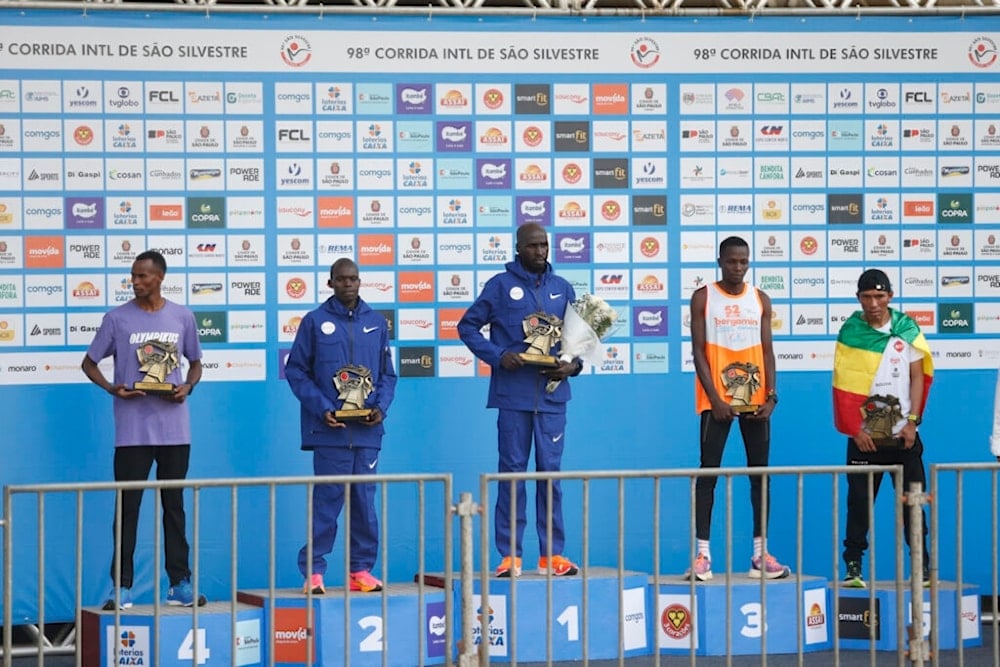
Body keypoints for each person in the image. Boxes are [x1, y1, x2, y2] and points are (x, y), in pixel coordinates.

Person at [81, 250, 206, 609]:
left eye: (143, 276)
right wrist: (112, 388)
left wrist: (188, 387)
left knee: (174, 508)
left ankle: (179, 583)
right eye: (133, 276)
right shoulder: (117, 318)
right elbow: (89, 363)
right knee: (128, 509)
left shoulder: (182, 316)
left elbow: (195, 364)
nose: (136, 282)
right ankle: (121, 587)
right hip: (132, 431)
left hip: (175, 431)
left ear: (160, 277)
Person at [458, 223, 583, 578]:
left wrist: (572, 366)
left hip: (552, 397)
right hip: (513, 395)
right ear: (518, 248)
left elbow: (577, 343)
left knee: (550, 477)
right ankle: (509, 555)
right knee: (512, 474)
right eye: (532, 246)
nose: (540, 251)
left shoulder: (562, 288)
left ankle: (551, 556)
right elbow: (467, 327)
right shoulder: (500, 286)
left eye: (544, 245)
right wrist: (499, 356)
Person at [285, 258, 397, 594]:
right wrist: (323, 410)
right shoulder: (315, 322)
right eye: (342, 280)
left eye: (354, 279)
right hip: (330, 431)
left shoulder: (377, 323)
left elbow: (387, 374)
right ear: (331, 283)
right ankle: (314, 572)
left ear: (360, 282)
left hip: (365, 432)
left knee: (364, 503)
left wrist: (380, 408)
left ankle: (360, 570)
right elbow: (296, 372)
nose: (349, 284)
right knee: (327, 503)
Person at [689, 236, 789, 581]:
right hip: (715, 401)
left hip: (756, 400)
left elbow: (768, 350)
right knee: (708, 473)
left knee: (759, 474)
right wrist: (716, 399)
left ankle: (761, 555)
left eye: (743, 262)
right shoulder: (704, 296)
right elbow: (698, 351)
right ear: (720, 261)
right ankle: (702, 555)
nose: (737, 267)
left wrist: (771, 396)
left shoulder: (760, 298)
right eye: (731, 261)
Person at [833, 268, 933, 588]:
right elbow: (843, 386)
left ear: (890, 296)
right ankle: (853, 568)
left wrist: (913, 423)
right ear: (858, 299)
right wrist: (854, 430)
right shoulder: (851, 331)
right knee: (859, 506)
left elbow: (918, 377)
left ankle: (922, 567)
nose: (873, 303)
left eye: (879, 296)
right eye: (867, 297)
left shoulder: (906, 329)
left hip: (903, 436)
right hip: (865, 439)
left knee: (913, 505)